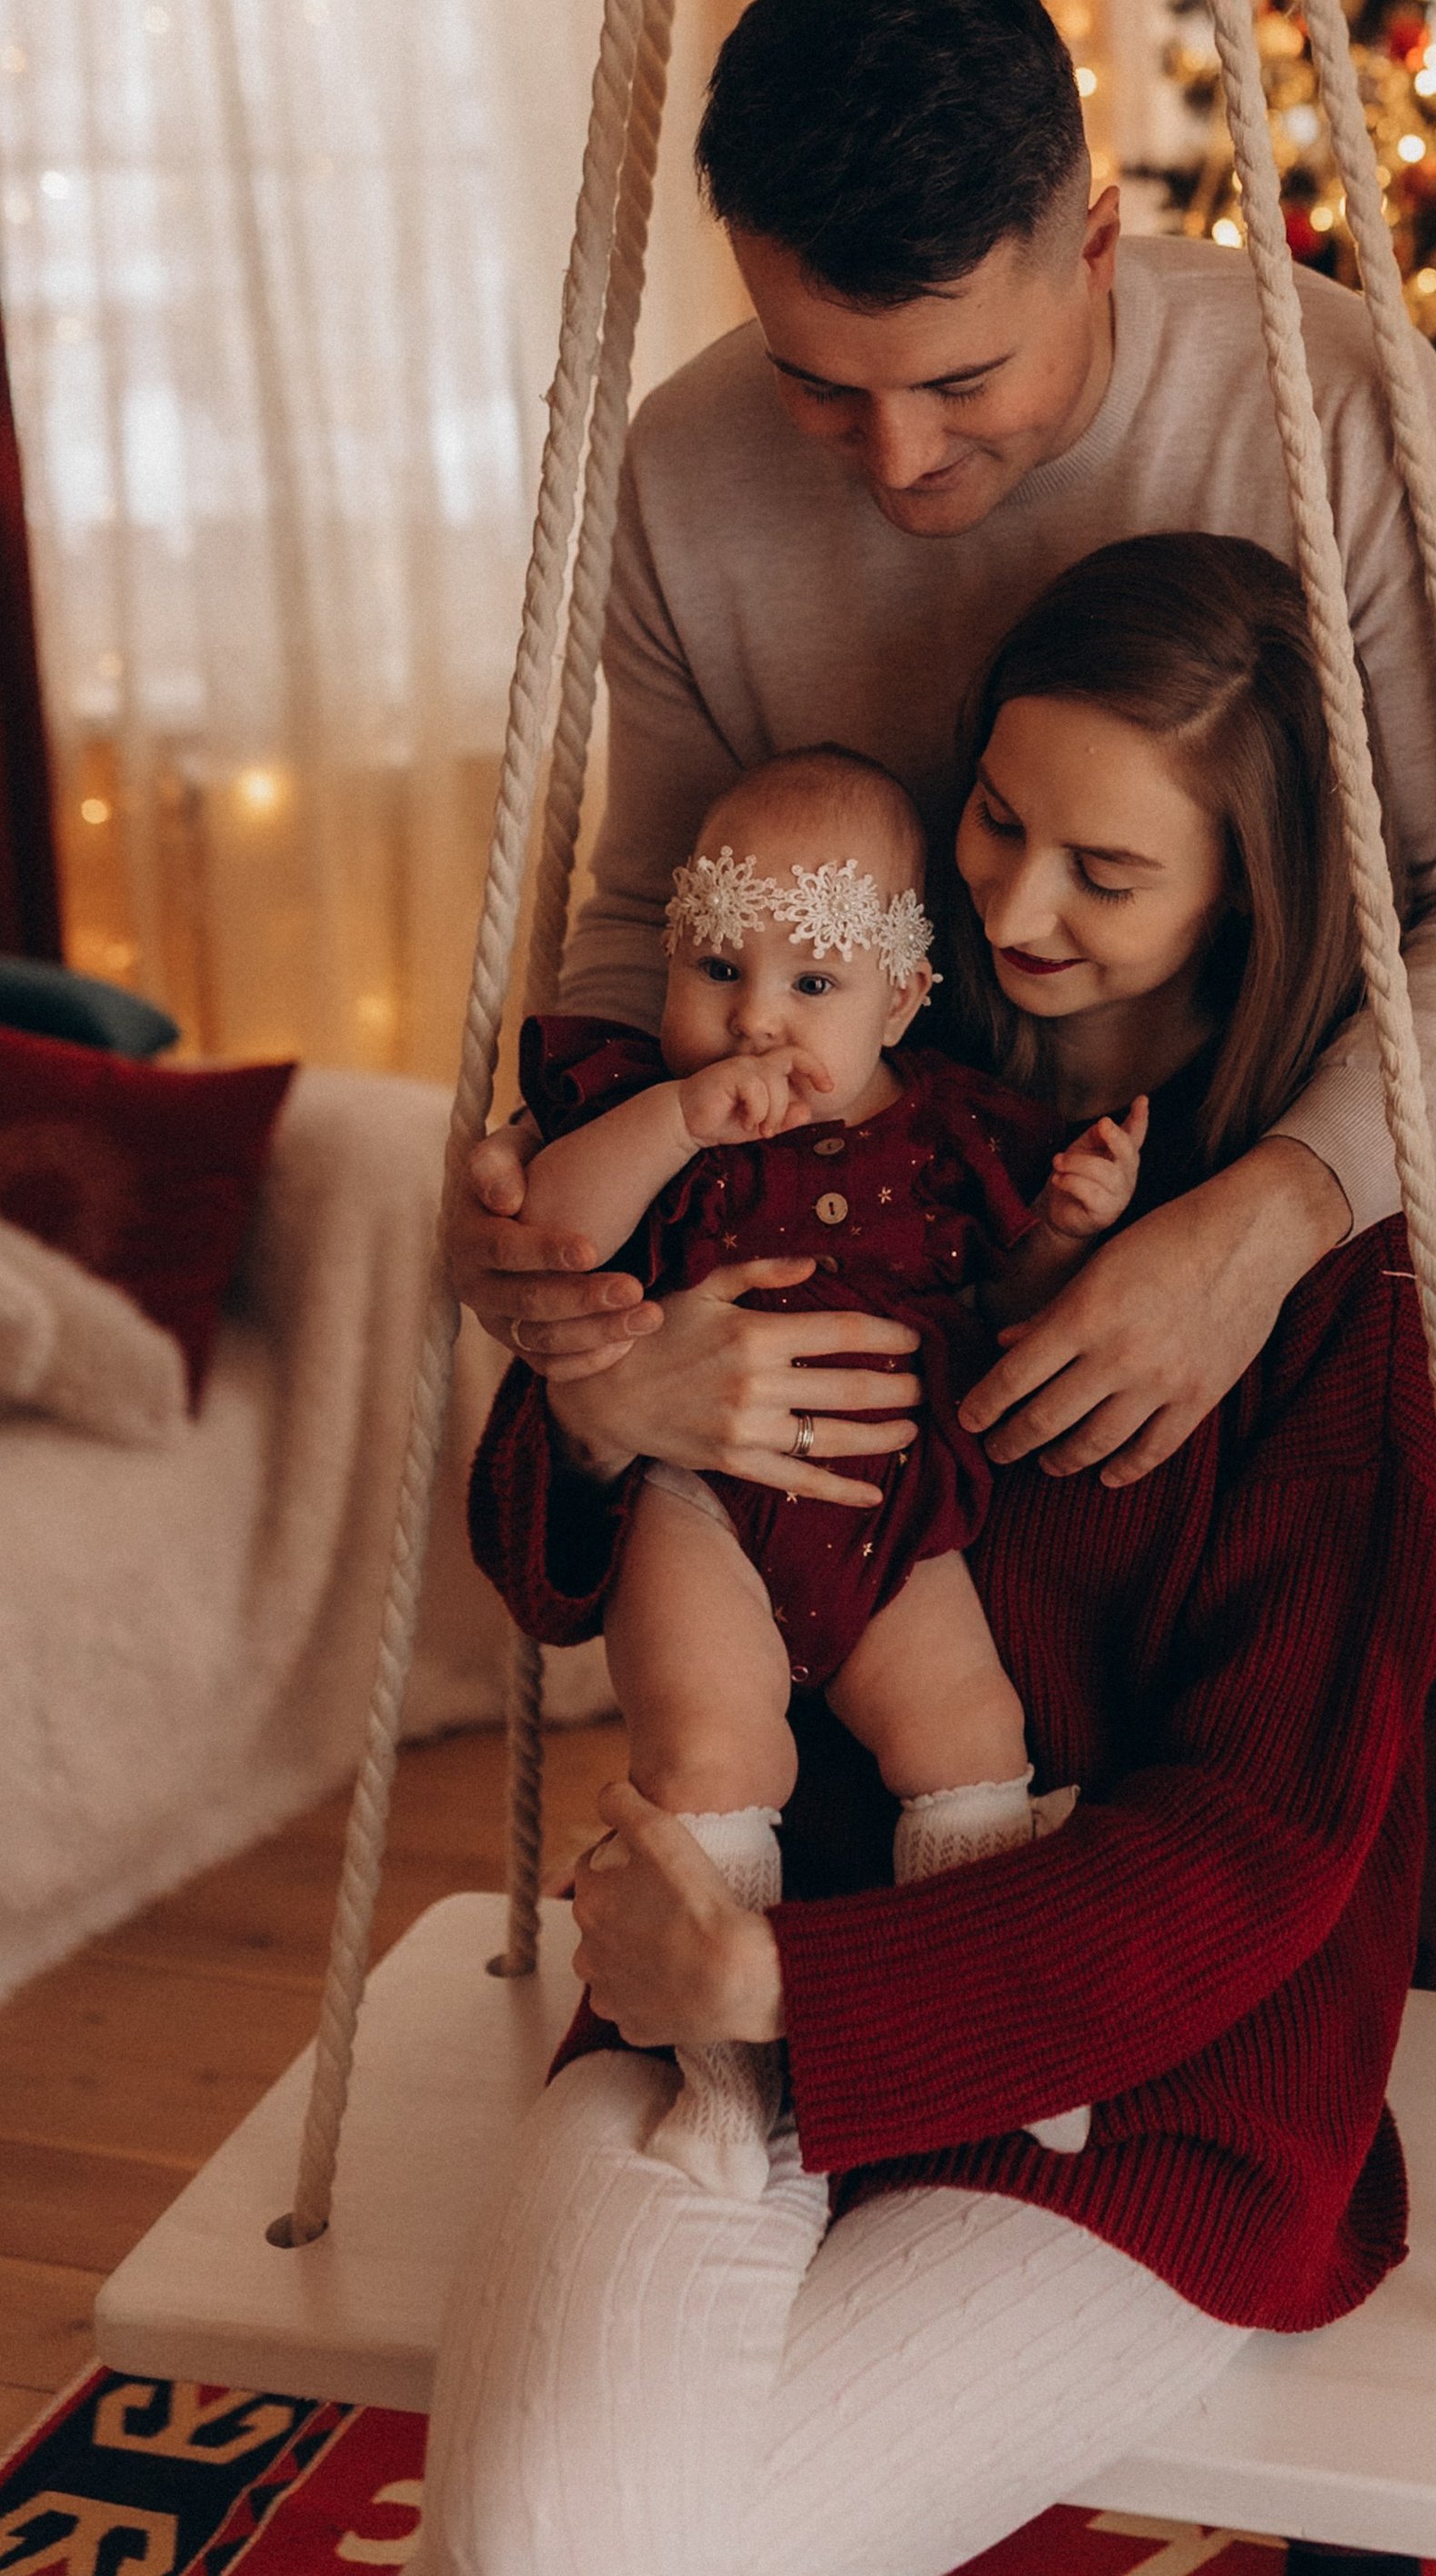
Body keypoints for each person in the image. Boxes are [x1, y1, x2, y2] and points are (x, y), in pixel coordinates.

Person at [447, 0, 1436, 1981]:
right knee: (829, 1925)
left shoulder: (1333, 411)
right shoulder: (676, 475)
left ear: (1096, 236)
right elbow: (649, 911)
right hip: (861, 1296)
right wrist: (591, 1241)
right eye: (821, 382)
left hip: (1278, 1240)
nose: (896, 465)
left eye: (961, 383)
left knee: (1313, 1917)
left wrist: (1259, 1229)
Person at [427, 538, 1436, 2576]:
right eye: (994, 823)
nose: (1007, 908)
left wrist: (791, 1986)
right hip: (713, 1952)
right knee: (545, 2536)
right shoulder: (804, 1096)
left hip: (1143, 2085)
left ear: (1241, 890)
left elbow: (1264, 1838)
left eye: (1106, 870)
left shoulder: (1347, 1284)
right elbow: (539, 1564)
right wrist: (601, 1404)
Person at [507, 741, 1142, 2193]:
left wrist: (1067, 1231)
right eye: (717, 968)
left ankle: (991, 2049)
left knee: (971, 1734)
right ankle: (722, 2083)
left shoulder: (943, 1131)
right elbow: (546, 1233)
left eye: (813, 985)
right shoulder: (634, 1110)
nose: (753, 1022)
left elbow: (998, 1304)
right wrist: (666, 1122)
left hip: (888, 1512)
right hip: (697, 1508)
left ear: (903, 1001)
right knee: (711, 1758)